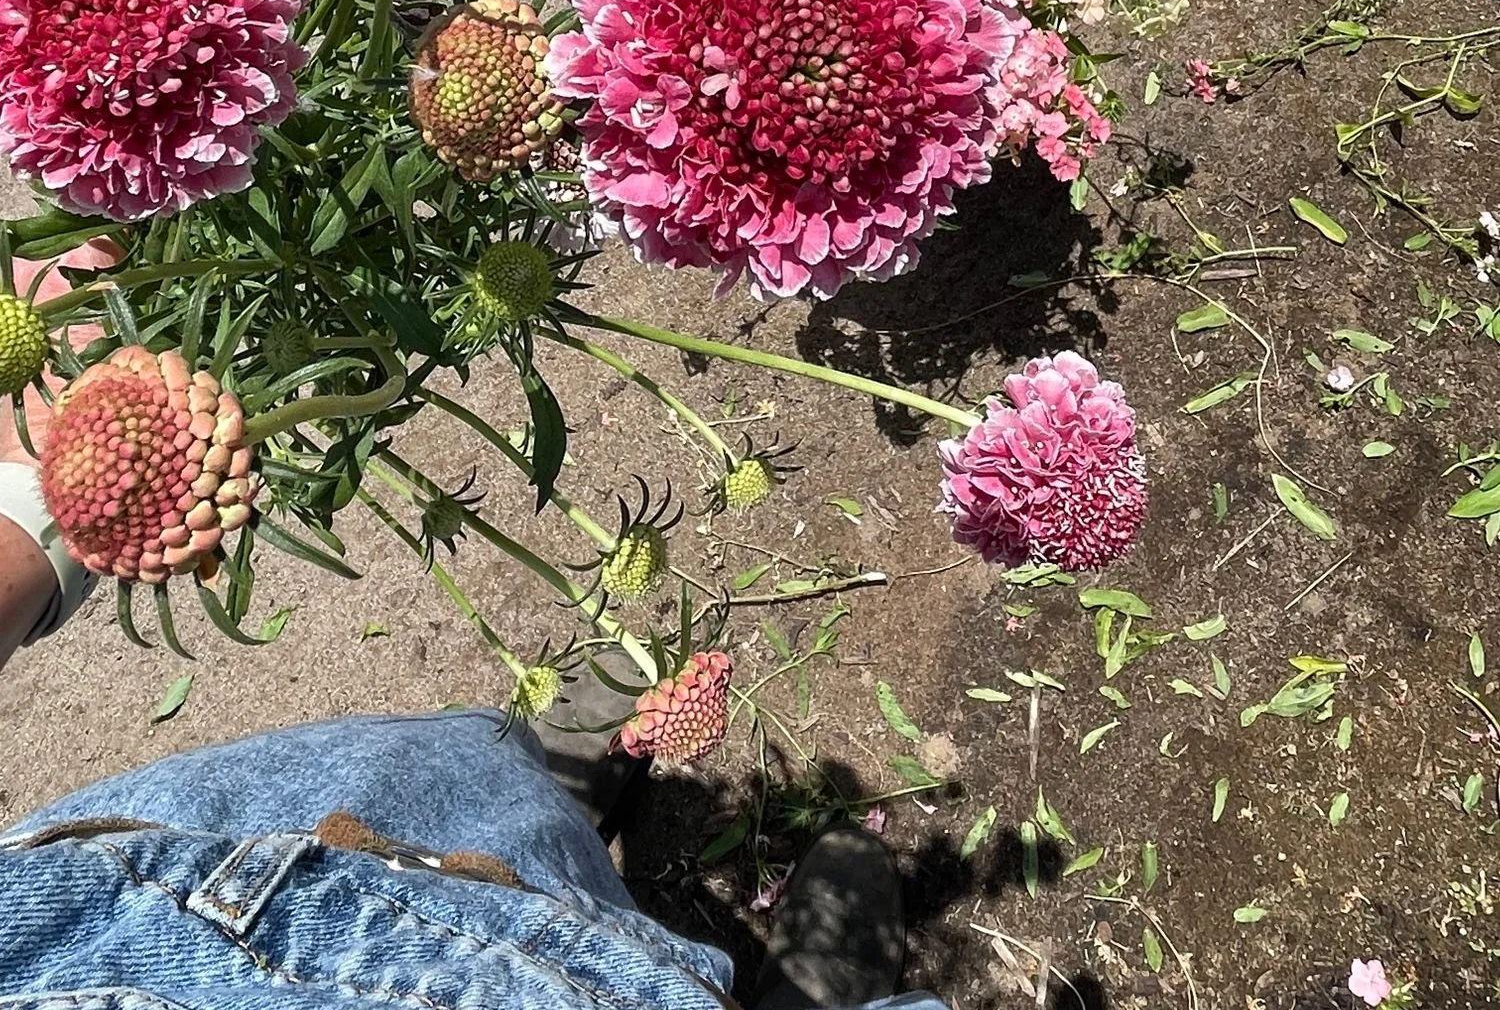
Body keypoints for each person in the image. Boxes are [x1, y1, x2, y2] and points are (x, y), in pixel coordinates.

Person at [0, 254, 918, 1010]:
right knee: (480, 809)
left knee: (447, 770)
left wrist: (25, 523)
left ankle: (528, 776)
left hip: (93, 899)